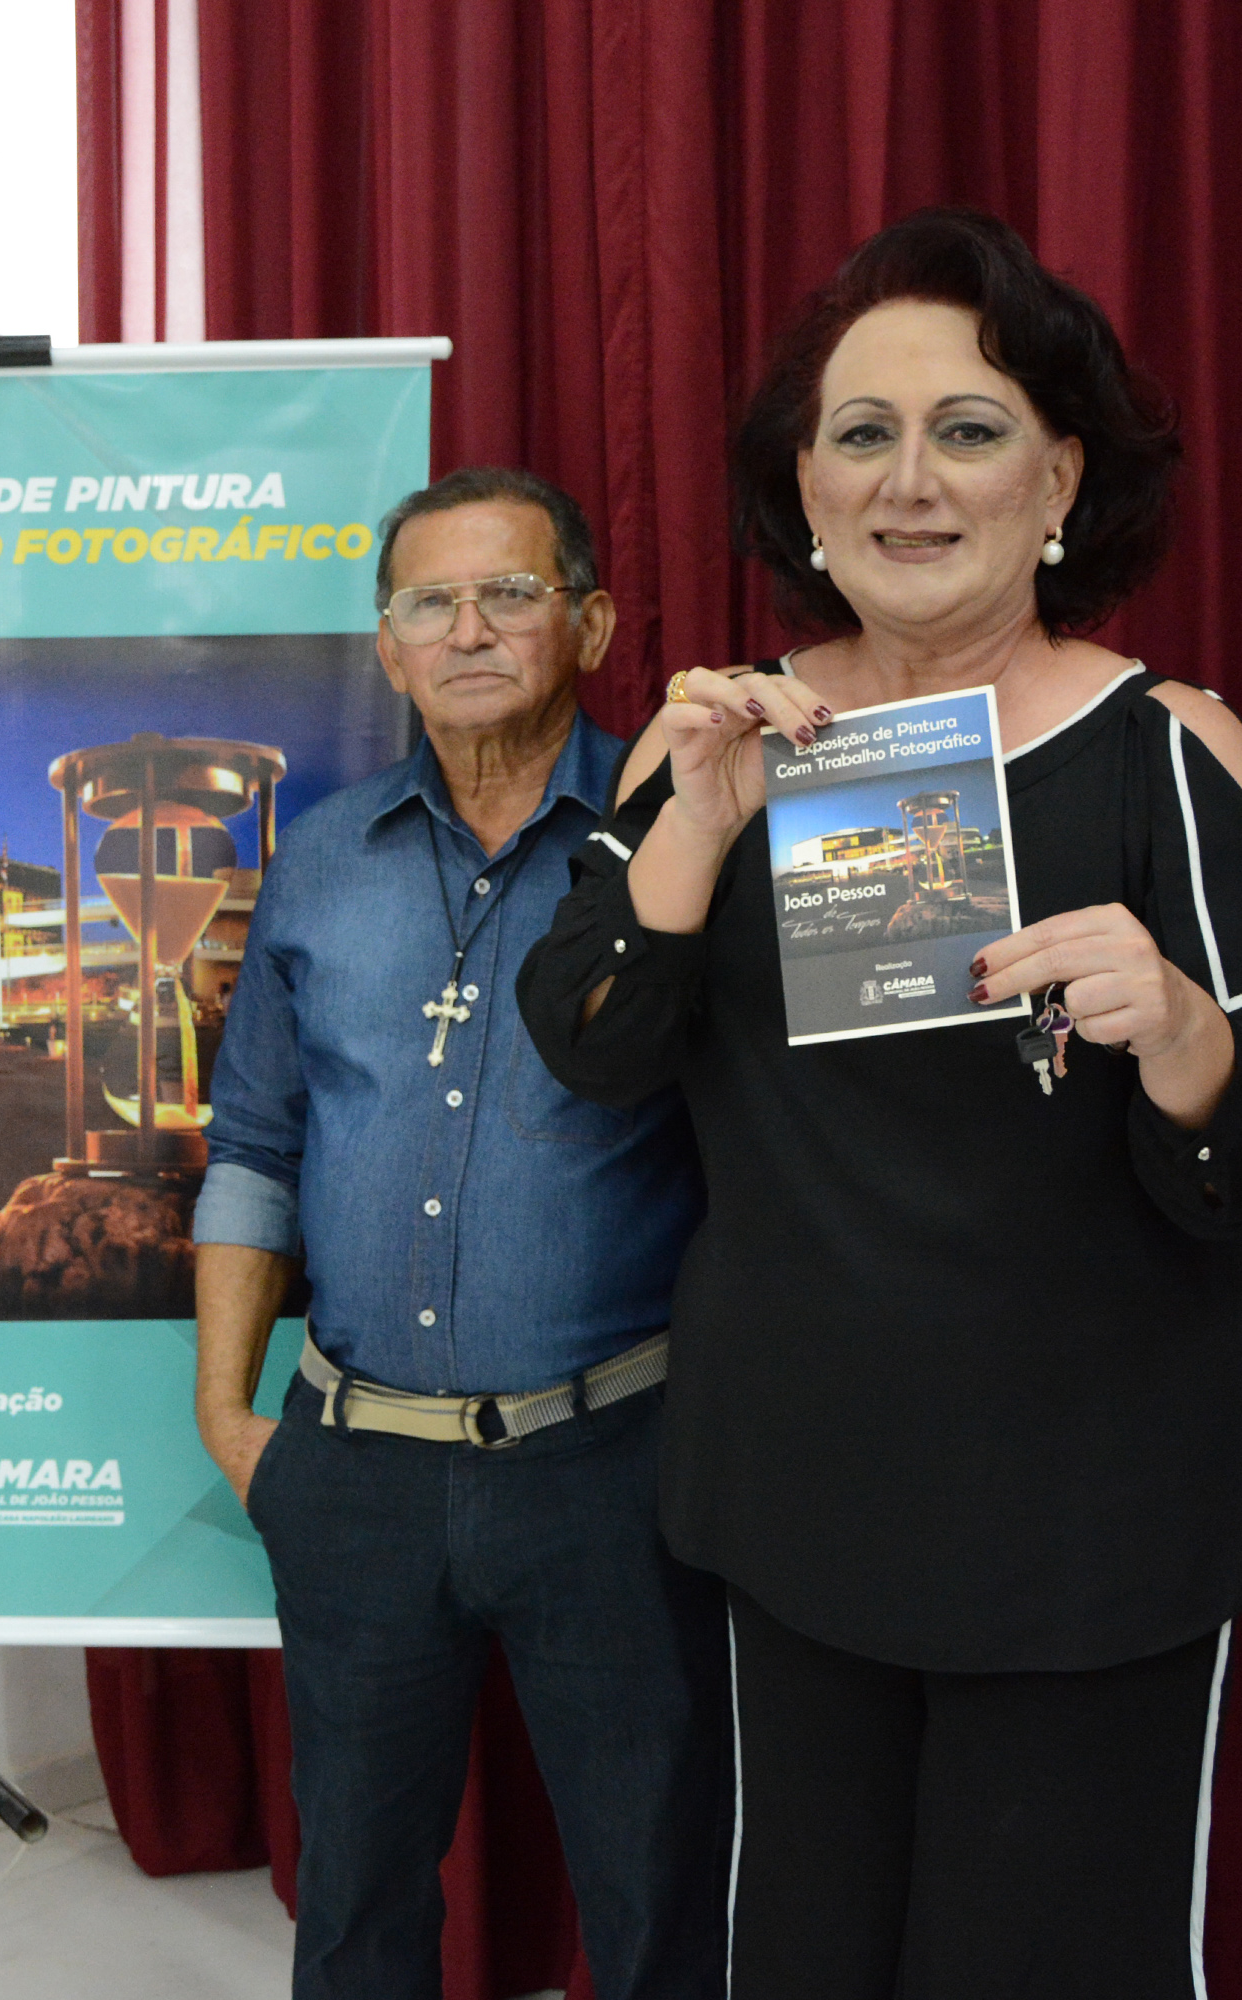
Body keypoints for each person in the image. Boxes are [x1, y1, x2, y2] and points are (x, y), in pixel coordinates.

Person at [517, 208, 1242, 2000]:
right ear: (804, 489)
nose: (911, 481)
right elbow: (589, 1046)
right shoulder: (716, 741)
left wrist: (1180, 1030)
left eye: (968, 431)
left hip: (1093, 1515)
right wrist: (701, 829)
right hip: (795, 1495)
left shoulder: (1168, 746)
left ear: (1060, 479)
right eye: (863, 434)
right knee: (799, 1957)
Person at [196, 466, 727, 1999]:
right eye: (430, 602)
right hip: (351, 1469)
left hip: (613, 1472)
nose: (469, 629)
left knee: (659, 1898)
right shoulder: (318, 860)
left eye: (510, 593)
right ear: (388, 645)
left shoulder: (684, 834)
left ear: (592, 626)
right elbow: (254, 1148)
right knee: (354, 1908)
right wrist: (228, 1418)